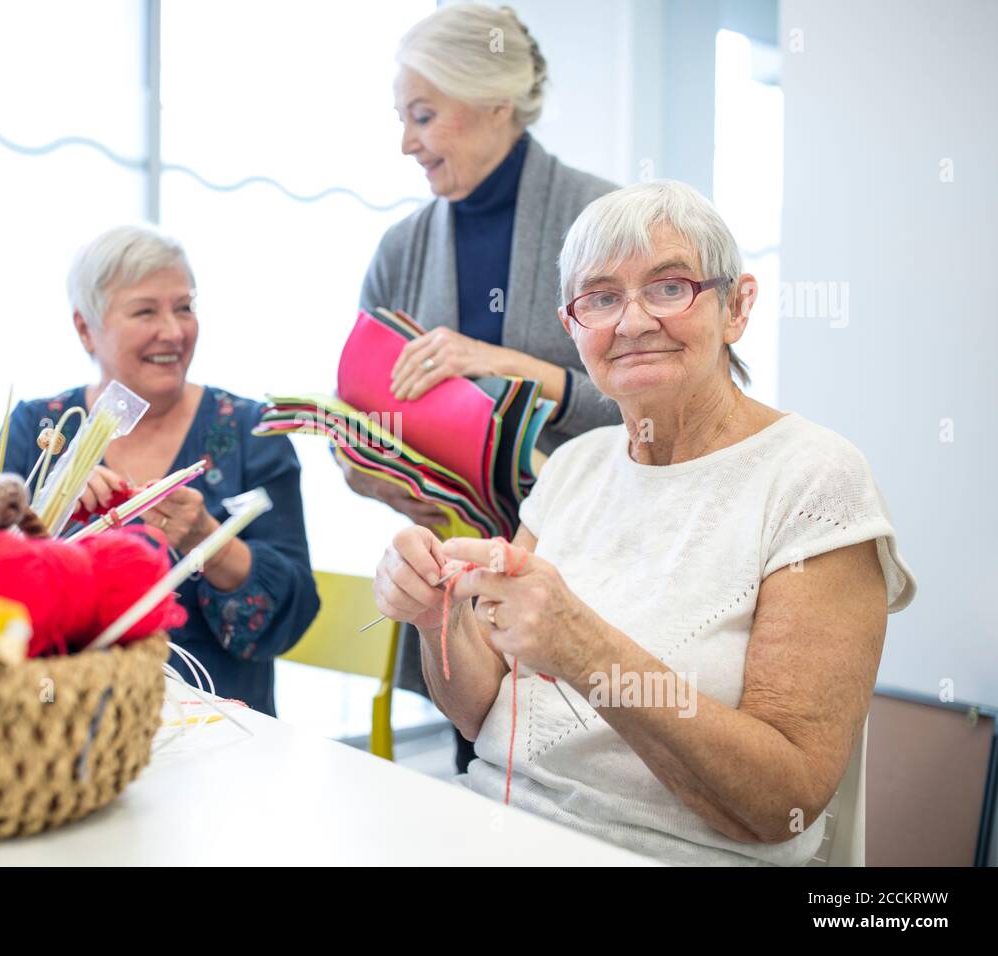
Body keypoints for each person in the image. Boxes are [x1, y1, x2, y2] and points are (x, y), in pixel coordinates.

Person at [371, 180, 917, 865]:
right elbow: (484, 715)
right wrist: (437, 615)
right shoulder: (574, 467)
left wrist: (585, 651)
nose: (631, 323)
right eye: (600, 297)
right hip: (499, 832)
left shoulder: (813, 480)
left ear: (737, 307)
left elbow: (786, 799)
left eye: (668, 288)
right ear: (573, 327)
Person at [349, 3, 621, 770]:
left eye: (424, 115)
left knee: (594, 777)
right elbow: (362, 421)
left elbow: (663, 407)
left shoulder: (604, 224)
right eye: (403, 118)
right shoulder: (399, 249)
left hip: (587, 570)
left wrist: (522, 372)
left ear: (495, 101)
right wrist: (377, 471)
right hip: (456, 583)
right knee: (481, 776)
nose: (407, 143)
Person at [0, 225, 320, 716]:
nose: (174, 331)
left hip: (218, 731)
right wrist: (47, 517)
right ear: (85, 329)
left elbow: (290, 617)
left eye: (184, 307)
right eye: (145, 311)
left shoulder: (252, 432)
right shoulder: (39, 433)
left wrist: (210, 539)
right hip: (53, 721)